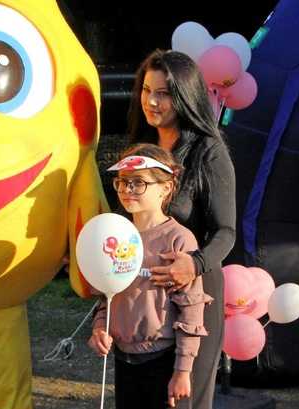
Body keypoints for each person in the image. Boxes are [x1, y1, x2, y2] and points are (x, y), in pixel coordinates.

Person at [127, 49, 236, 409]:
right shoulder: (141, 148)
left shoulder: (209, 152)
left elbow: (226, 232)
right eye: (146, 90)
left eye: (163, 93)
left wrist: (194, 263)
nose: (151, 101)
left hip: (195, 296)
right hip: (145, 298)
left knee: (182, 401)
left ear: (185, 97)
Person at [88, 144, 212, 409]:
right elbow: (106, 294)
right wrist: (100, 326)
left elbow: (191, 310)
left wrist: (182, 371)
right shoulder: (116, 234)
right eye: (122, 182)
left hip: (163, 362)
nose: (127, 190)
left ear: (165, 188)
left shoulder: (178, 239)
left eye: (138, 183)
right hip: (123, 360)